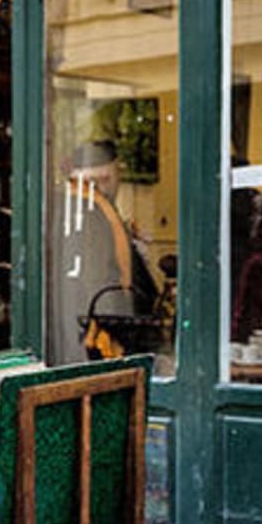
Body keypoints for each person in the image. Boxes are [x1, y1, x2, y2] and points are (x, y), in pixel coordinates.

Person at [52, 139, 161, 361]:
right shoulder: (93, 212)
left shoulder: (62, 204)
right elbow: (101, 281)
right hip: (96, 332)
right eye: (107, 179)